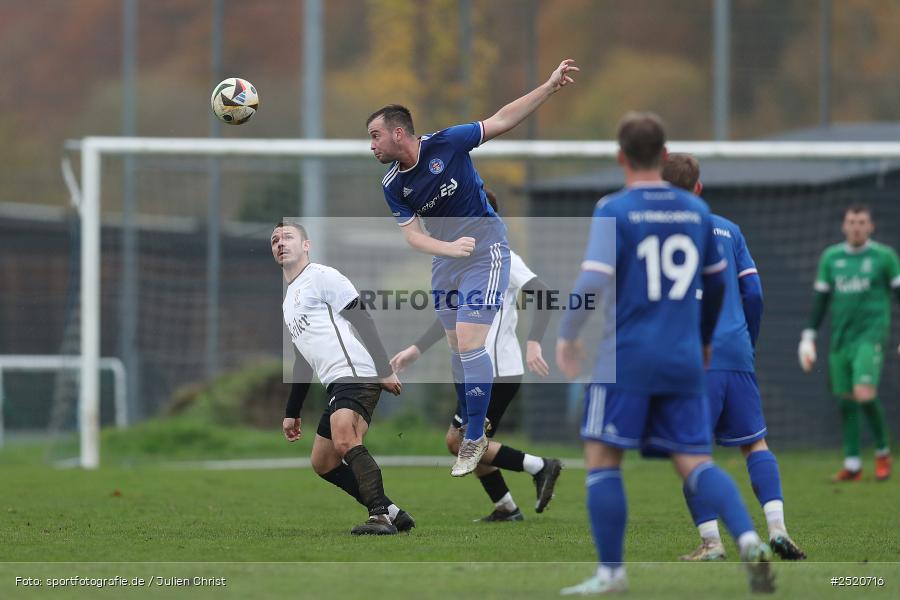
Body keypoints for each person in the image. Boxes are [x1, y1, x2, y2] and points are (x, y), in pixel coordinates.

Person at [556, 113, 774, 595]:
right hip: (684, 357)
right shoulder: (698, 213)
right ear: (663, 152)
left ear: (620, 157)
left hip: (628, 355)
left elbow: (592, 279)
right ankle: (750, 539)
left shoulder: (615, 208)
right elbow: (719, 284)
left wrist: (568, 333)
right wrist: (702, 340)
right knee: (695, 461)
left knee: (603, 456)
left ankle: (611, 575)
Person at [366, 58, 578, 477]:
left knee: (468, 341)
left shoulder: (448, 142)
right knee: (455, 347)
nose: (371, 145)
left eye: (374, 136)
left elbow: (502, 119)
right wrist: (445, 247)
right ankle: (471, 425)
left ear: (397, 132)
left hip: (485, 250)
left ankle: (475, 435)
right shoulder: (393, 184)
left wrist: (550, 86)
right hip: (446, 262)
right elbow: (412, 236)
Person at [662, 153, 805, 562]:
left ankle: (711, 543)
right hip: (735, 350)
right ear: (699, 188)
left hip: (689, 356)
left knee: (689, 451)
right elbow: (754, 293)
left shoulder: (654, 234)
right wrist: (747, 340)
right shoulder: (729, 230)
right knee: (755, 444)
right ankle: (777, 527)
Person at [390, 190, 563, 521]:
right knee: (462, 441)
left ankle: (540, 467)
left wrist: (534, 342)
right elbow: (453, 318)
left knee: (461, 442)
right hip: (480, 370)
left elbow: (543, 294)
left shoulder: (501, 257)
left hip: (497, 371)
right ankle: (507, 507)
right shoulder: (457, 259)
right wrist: (416, 349)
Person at [273, 221, 414, 535]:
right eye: (274, 241)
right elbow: (302, 359)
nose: (280, 243)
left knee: (345, 440)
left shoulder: (322, 276)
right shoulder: (288, 301)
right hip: (337, 381)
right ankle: (394, 512)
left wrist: (383, 369)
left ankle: (379, 517)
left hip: (356, 372)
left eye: (288, 237)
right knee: (323, 461)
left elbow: (361, 317)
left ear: (306, 245)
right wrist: (292, 412)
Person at [798, 204, 900, 482]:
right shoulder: (831, 257)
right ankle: (853, 464)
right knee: (846, 400)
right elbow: (820, 301)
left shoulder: (884, 257)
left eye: (862, 222)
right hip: (841, 338)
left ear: (871, 227)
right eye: (852, 222)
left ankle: (882, 452)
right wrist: (809, 335)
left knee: (864, 393)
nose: (856, 227)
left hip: (871, 336)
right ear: (844, 226)